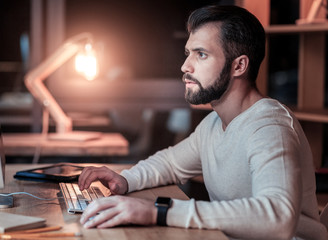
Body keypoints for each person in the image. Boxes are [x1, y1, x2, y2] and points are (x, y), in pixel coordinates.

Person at [78, 5, 328, 240]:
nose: (185, 66)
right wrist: (125, 179)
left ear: (239, 65)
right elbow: (170, 163)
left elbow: (277, 217)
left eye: (201, 54)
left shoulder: (270, 127)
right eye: (189, 53)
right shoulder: (213, 124)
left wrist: (159, 211)